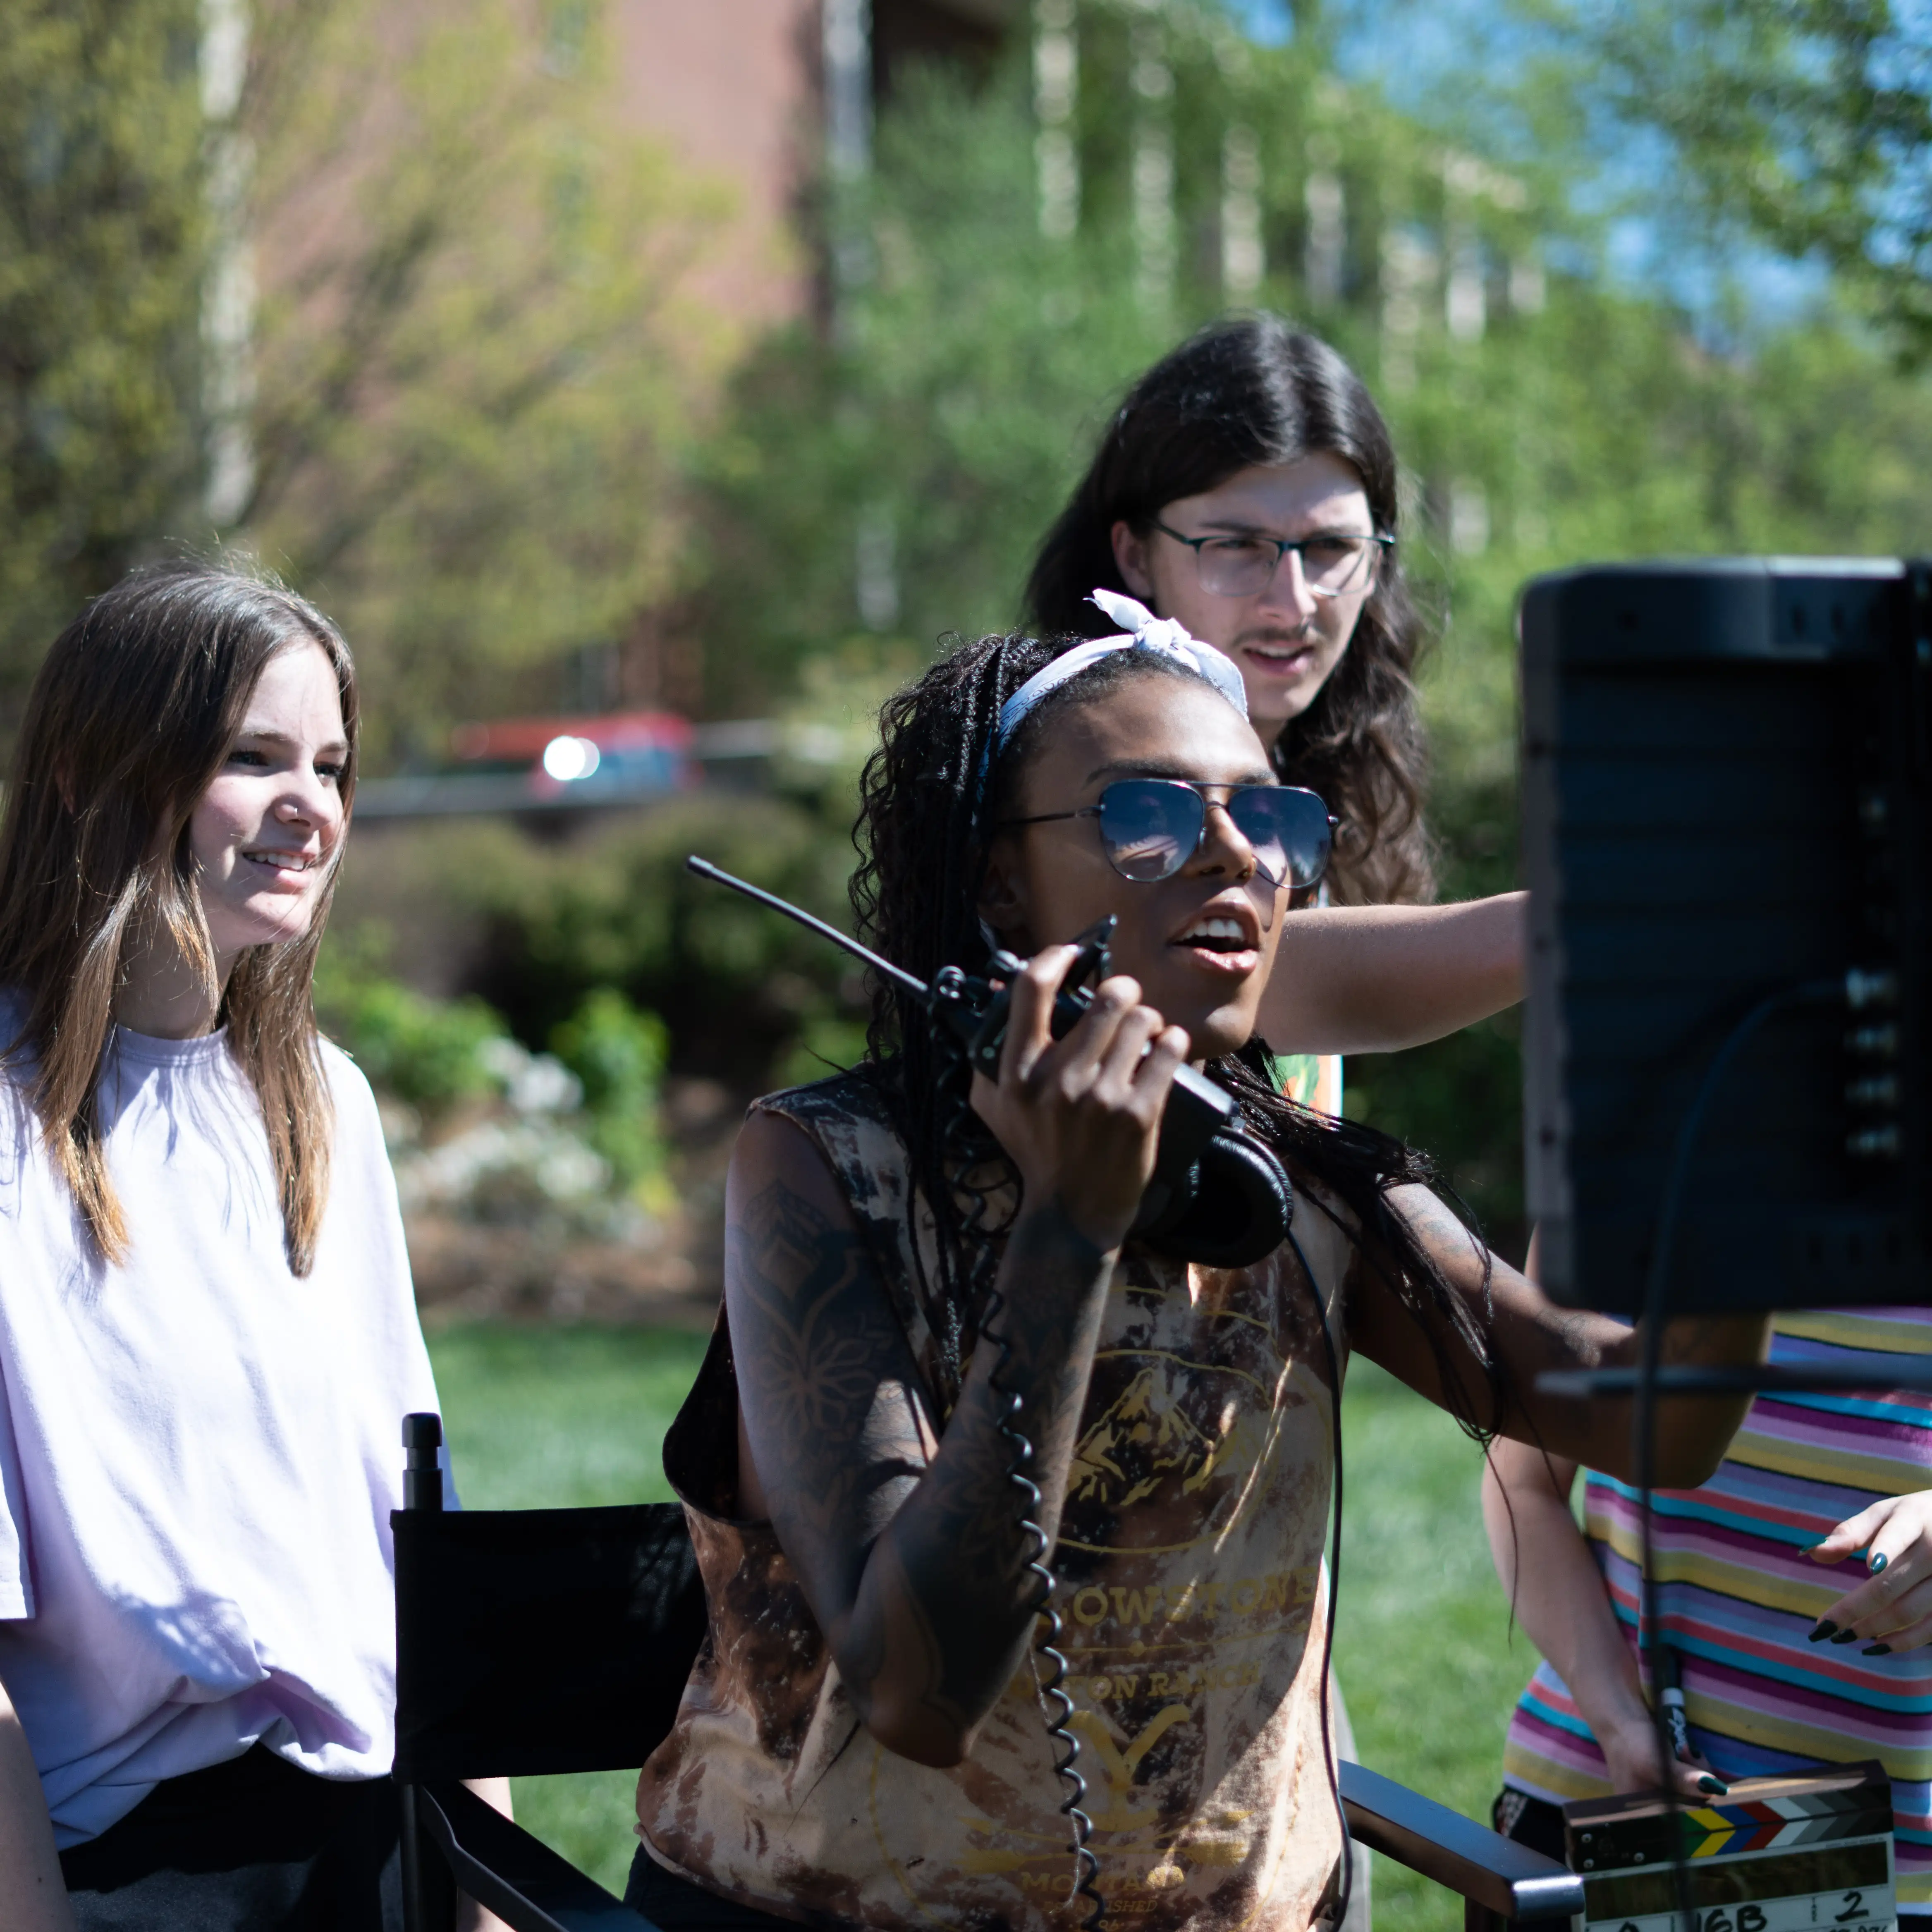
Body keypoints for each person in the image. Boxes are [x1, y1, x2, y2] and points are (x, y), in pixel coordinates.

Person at [626, 609, 1771, 1931]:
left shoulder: (1295, 1176)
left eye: (1273, 824)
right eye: (1148, 818)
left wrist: (1754, 1117)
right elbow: (915, 1691)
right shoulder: (825, 1169)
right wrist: (1069, 1231)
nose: (1236, 857)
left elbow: (1662, 1420)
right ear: (1001, 883)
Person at [0, 565, 507, 1931]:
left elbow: (421, 1537)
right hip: (110, 1862)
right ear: (88, 777)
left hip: (373, 1836)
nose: (313, 808)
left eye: (333, 765)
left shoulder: (320, 1100)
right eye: (251, 757)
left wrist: (492, 1886)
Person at [1027, 313, 1524, 1077]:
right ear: (1134, 555)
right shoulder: (1070, 779)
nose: (1291, 603)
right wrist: (1600, 918)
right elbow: (1280, 979)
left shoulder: (1311, 778)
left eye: (1331, 549)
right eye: (1236, 546)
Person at [1485, 1301, 1932, 1919]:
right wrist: (1618, 1723)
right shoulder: (1624, 1208)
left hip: (1890, 1867)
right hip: (1600, 1812)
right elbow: (1524, 1482)